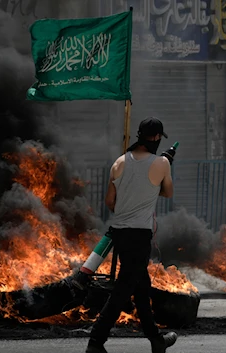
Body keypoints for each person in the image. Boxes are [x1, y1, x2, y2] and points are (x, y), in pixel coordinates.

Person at [85, 117, 178, 353]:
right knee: (123, 289)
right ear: (157, 138)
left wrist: (128, 206)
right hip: (139, 236)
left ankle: (156, 340)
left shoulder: (118, 163)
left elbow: (109, 201)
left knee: (141, 288)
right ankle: (95, 341)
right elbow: (167, 193)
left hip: (120, 233)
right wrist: (166, 163)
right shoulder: (161, 164)